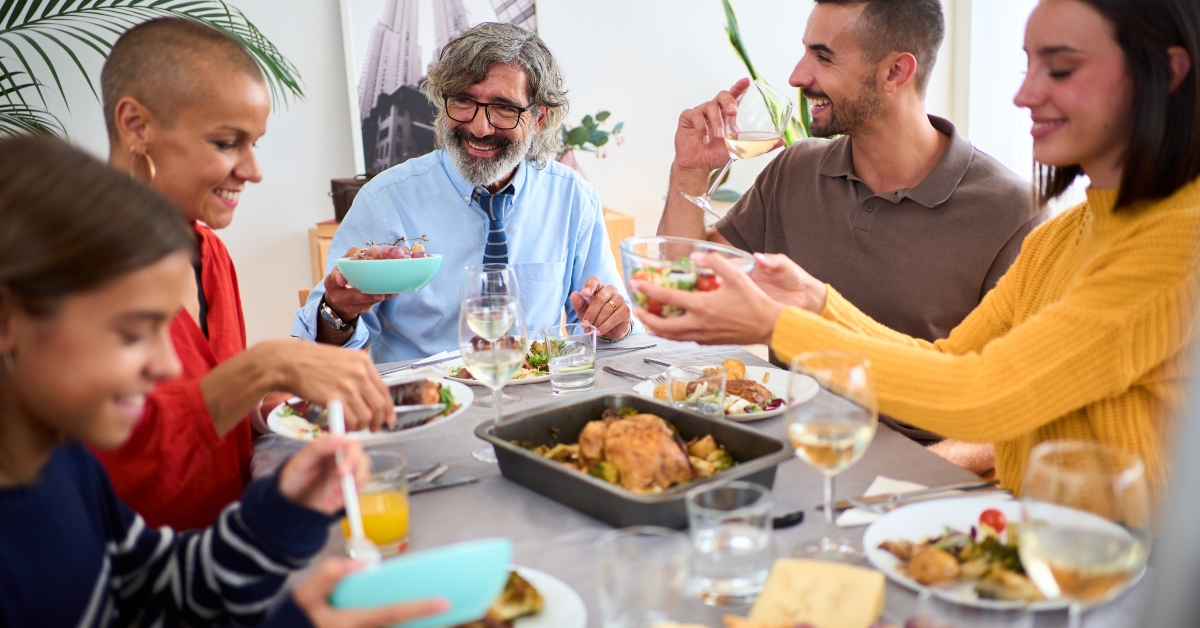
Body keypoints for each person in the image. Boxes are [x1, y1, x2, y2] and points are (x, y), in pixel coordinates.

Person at [636, 0, 1199, 502]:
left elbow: (987, 395)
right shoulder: (1065, 235)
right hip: (1031, 539)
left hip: (1119, 566)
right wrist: (817, 303)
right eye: (1027, 66)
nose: (1024, 95)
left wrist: (780, 324)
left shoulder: (1178, 243)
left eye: (1062, 68)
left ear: (1168, 73)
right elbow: (952, 359)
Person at [0, 136, 448, 628]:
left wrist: (279, 514)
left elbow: (156, 586)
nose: (169, 366)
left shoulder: (65, 466)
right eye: (132, 332)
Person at [658, 0, 1045, 471]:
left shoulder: (1012, 212)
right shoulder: (795, 169)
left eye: (823, 57)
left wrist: (909, 475)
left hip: (909, 476)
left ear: (895, 72)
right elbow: (680, 285)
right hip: (778, 447)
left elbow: (1024, 411)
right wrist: (689, 173)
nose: (797, 76)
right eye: (806, 51)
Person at [94, 18, 396, 531]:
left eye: (254, 143)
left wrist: (264, 410)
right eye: (225, 143)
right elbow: (116, 473)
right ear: (135, 125)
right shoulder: (80, 273)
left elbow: (205, 419)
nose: (253, 171)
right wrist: (263, 367)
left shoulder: (209, 252)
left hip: (233, 549)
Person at [293, 23, 633, 362]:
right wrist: (338, 311)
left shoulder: (573, 198)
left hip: (534, 390)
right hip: (425, 394)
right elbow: (318, 351)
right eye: (463, 101)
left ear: (539, 118)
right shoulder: (384, 200)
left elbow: (604, 331)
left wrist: (615, 325)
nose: (479, 128)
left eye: (504, 108)